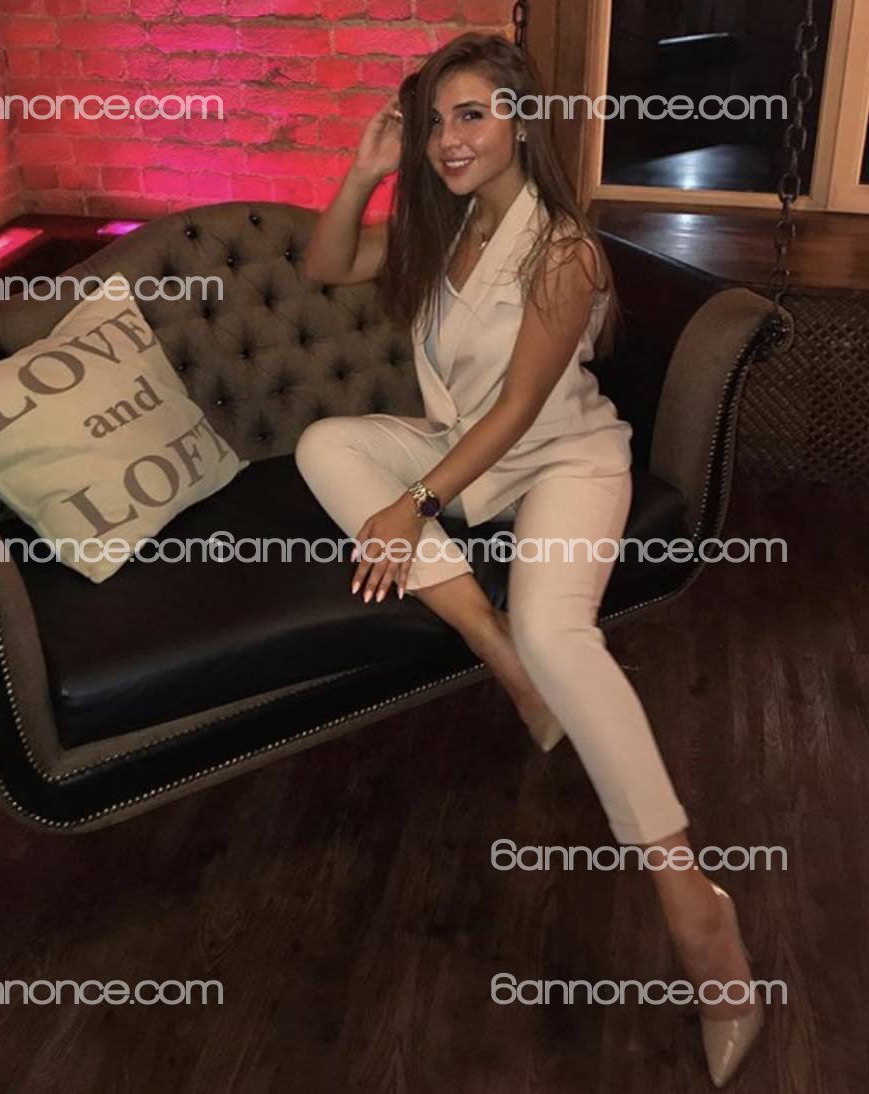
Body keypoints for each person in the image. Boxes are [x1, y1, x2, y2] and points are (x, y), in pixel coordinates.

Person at [296, 32, 764, 1088]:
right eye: (434, 122)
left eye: (471, 114)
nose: (448, 140)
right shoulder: (444, 225)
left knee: (561, 631)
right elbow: (325, 264)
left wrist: (413, 506)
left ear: (520, 121)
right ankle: (493, 647)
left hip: (561, 459)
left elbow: (517, 409)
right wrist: (365, 173)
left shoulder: (564, 251)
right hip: (466, 455)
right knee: (325, 444)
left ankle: (697, 912)